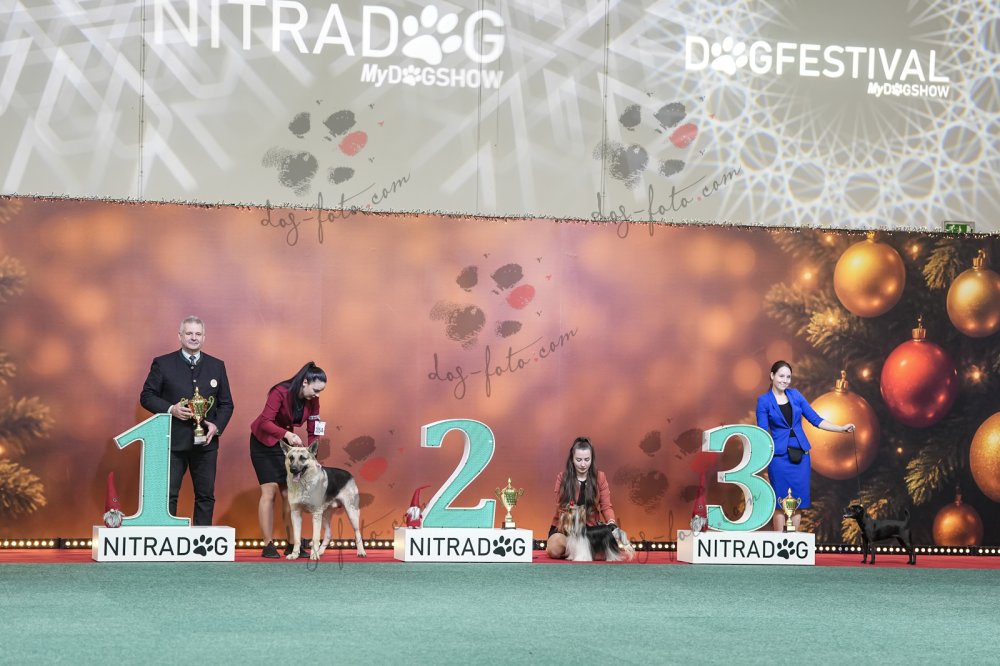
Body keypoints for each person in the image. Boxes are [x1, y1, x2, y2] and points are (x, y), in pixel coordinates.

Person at [140, 315, 234, 526]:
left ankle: (202, 539)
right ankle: (168, 539)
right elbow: (146, 396)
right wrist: (171, 409)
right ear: (180, 336)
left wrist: (217, 426)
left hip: (206, 443)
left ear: (204, 337)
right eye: (189, 333)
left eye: (198, 334)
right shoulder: (162, 364)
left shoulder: (217, 366)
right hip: (173, 442)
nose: (194, 337)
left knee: (205, 495)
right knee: (169, 495)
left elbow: (227, 404)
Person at [756, 360, 855, 531]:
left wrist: (841, 428)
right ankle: (778, 541)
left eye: (788, 377)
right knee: (779, 502)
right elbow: (763, 432)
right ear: (772, 376)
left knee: (798, 501)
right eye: (781, 376)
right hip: (778, 457)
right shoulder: (764, 401)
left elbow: (816, 420)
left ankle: (793, 542)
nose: (785, 380)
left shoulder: (795, 395)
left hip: (801, 456)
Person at [249, 361, 327, 558]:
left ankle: (293, 544)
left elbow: (314, 429)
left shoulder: (313, 400)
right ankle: (268, 544)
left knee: (289, 494)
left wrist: (313, 457)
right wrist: (287, 434)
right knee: (269, 492)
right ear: (305, 382)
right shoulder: (280, 392)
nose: (317, 395)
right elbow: (265, 421)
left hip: (286, 447)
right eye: (316, 390)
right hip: (264, 443)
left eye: (320, 391)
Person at [545, 437, 617, 559]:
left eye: (587, 459)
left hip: (590, 530)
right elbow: (562, 507)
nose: (583, 464)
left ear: (592, 459)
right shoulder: (563, 478)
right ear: (572, 459)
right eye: (578, 460)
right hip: (567, 529)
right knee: (554, 549)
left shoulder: (600, 477)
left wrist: (611, 522)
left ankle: (578, 551)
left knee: (606, 549)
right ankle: (577, 550)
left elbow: (606, 506)